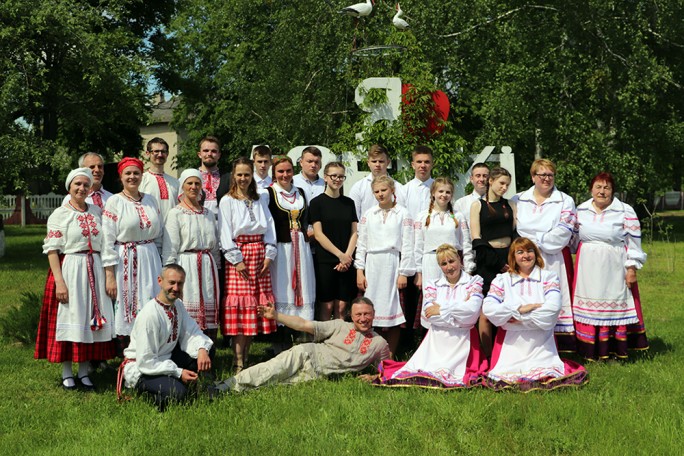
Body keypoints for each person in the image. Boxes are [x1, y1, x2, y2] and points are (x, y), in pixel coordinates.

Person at [35, 168, 116, 390]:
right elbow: (52, 250)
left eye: (85, 185)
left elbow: (107, 242)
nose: (81, 188)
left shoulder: (97, 211)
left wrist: (108, 273)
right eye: (77, 184)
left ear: (91, 188)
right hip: (71, 268)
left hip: (96, 268)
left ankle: (84, 370)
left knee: (90, 319)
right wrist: (59, 282)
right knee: (72, 316)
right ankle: (66, 371)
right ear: (69, 187)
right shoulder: (60, 214)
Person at [208, 297, 389, 394]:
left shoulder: (379, 343)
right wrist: (277, 316)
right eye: (359, 315)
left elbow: (389, 372)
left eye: (367, 314)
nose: (363, 319)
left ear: (374, 315)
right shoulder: (340, 325)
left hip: (317, 374)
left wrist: (373, 377)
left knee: (275, 384)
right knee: (270, 370)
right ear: (351, 315)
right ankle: (225, 386)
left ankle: (227, 390)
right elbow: (304, 325)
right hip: (305, 354)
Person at [373, 244, 485, 389]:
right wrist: (458, 311)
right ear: (439, 266)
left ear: (459, 259)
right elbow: (430, 315)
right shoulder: (433, 284)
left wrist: (441, 309)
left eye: (452, 261)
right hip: (436, 341)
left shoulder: (474, 281)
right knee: (421, 372)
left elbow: (472, 311)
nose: (449, 267)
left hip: (463, 340)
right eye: (444, 264)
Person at [482, 238, 587, 391]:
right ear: (513, 257)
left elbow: (552, 310)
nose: (526, 255)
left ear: (536, 254)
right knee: (506, 374)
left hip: (542, 344)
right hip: (511, 345)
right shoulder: (502, 280)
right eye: (520, 252)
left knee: (544, 372)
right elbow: (489, 309)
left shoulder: (548, 277)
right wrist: (519, 308)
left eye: (529, 251)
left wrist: (514, 318)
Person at [571, 172, 649, 360]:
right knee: (588, 304)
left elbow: (634, 242)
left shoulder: (625, 211)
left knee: (613, 303)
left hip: (614, 265)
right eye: (598, 187)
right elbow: (572, 239)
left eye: (607, 187)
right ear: (591, 189)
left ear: (613, 191)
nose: (602, 191)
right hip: (587, 265)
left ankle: (614, 349)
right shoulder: (580, 210)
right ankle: (589, 349)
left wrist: (631, 268)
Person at [118, 265, 214, 412]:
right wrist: (178, 372)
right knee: (179, 394)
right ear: (160, 281)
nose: (175, 288)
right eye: (171, 282)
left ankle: (196, 384)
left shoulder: (177, 305)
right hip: (143, 368)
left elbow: (191, 331)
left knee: (207, 350)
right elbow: (146, 361)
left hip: (166, 358)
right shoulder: (149, 315)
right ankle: (145, 392)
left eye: (180, 283)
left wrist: (201, 349)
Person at [219, 157, 278, 371]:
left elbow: (270, 227)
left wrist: (269, 253)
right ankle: (238, 360)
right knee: (241, 307)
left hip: (260, 254)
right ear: (233, 176)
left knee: (254, 307)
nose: (243, 178)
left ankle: (247, 354)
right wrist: (236, 259)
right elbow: (224, 232)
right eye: (239, 174)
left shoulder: (260, 199)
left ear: (251, 175)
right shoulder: (227, 200)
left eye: (246, 174)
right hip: (240, 255)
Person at [512, 159, 577, 352]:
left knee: (553, 297)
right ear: (533, 177)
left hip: (553, 258)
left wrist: (534, 243)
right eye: (542, 175)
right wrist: (528, 250)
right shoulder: (519, 199)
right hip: (525, 260)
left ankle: (559, 346)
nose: (546, 179)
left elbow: (563, 233)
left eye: (550, 175)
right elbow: (515, 230)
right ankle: (526, 344)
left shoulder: (565, 200)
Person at [102, 157, 163, 349]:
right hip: (125, 259)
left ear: (142, 175)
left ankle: (152, 347)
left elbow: (159, 233)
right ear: (121, 176)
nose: (132, 177)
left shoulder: (151, 200)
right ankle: (128, 351)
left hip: (150, 258)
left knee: (151, 300)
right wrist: (110, 275)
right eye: (128, 173)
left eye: (136, 173)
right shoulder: (114, 201)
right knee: (129, 304)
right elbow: (107, 240)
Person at [355, 175, 415, 356]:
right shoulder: (369, 214)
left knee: (392, 310)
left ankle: (389, 356)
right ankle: (368, 355)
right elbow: (362, 244)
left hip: (392, 263)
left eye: (384, 190)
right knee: (370, 309)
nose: (380, 194)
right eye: (377, 191)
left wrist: (403, 272)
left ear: (392, 191)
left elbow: (407, 244)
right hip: (372, 264)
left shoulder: (403, 213)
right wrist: (360, 270)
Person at [162, 169, 220, 341]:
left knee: (209, 307)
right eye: (190, 183)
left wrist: (217, 268)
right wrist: (171, 275)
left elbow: (215, 246)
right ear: (183, 186)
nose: (193, 187)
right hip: (186, 265)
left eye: (197, 183)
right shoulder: (176, 213)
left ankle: (209, 351)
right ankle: (187, 353)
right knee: (187, 307)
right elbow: (170, 248)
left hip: (208, 268)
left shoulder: (208, 214)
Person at [267, 156, 316, 350]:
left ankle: (303, 338)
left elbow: (308, 219)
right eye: (280, 171)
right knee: (283, 287)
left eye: (288, 171)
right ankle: (281, 341)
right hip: (281, 248)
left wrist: (308, 230)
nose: (285, 175)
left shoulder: (300, 192)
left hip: (301, 248)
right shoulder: (268, 193)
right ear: (274, 173)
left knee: (304, 286)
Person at [469, 167, 517, 357]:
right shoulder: (477, 206)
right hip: (487, 260)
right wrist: (498, 264)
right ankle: (487, 355)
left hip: (509, 258)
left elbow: (514, 234)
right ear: (491, 181)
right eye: (501, 183)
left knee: (507, 307)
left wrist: (512, 261)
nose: (504, 188)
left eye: (507, 185)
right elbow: (476, 238)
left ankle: (505, 352)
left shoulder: (511, 205)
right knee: (486, 311)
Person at [414, 177, 473, 328]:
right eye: (440, 191)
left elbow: (465, 244)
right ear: (433, 193)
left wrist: (468, 267)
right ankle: (431, 334)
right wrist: (419, 273)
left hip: (452, 262)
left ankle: (452, 330)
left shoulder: (458, 217)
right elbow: (418, 246)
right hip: (431, 262)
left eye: (448, 192)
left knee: (452, 296)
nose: (444, 195)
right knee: (433, 298)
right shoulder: (423, 217)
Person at [309, 162, 358, 321]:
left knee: (342, 306)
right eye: (333, 176)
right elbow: (318, 234)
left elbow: (354, 232)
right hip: (326, 260)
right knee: (327, 305)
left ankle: (339, 344)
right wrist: (339, 255)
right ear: (325, 177)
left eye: (340, 176)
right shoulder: (317, 203)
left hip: (347, 261)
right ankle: (323, 343)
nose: (337, 179)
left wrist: (347, 257)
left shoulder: (349, 203)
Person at [348, 144, 405, 220]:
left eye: (381, 161)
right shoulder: (358, 187)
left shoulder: (398, 187)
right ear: (368, 163)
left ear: (388, 162)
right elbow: (354, 218)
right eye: (374, 161)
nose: (377, 165)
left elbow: (402, 216)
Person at [139, 137, 180, 222]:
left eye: (163, 151)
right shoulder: (141, 180)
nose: (160, 155)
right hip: (149, 231)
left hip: (171, 230)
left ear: (167, 154)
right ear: (148, 153)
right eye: (156, 151)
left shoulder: (175, 182)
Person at [197, 135, 227, 218]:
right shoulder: (191, 177)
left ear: (219, 155)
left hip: (222, 223)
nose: (209, 154)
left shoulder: (228, 178)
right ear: (199, 154)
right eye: (206, 151)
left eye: (213, 151)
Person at [452, 162, 489, 228]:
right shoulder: (460, 204)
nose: (481, 179)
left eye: (485, 176)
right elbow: (457, 228)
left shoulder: (497, 202)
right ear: (471, 179)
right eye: (478, 176)